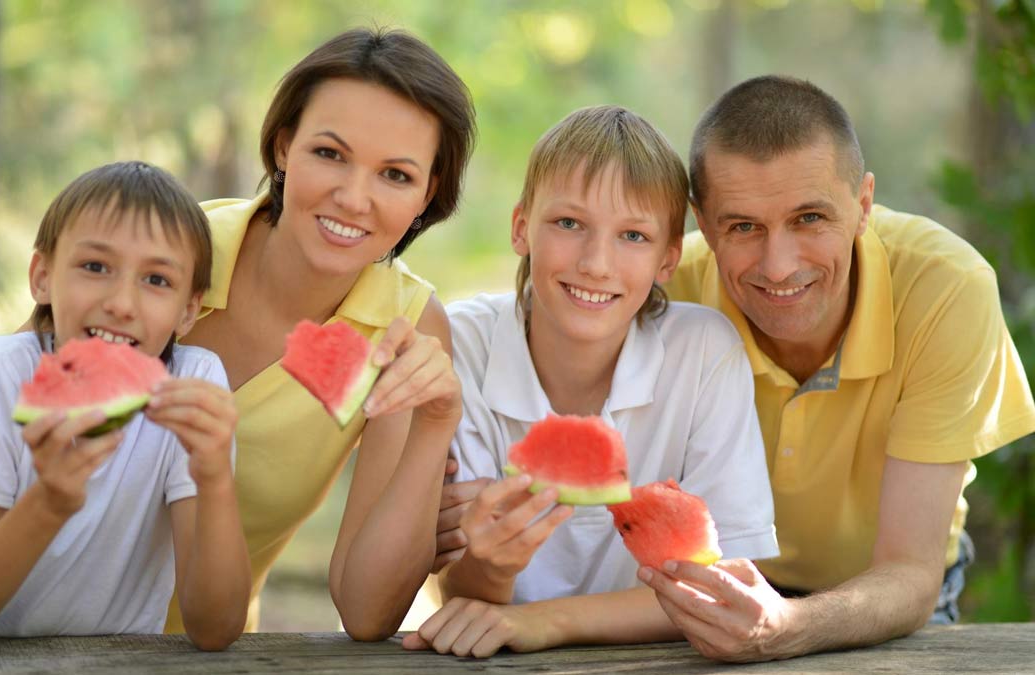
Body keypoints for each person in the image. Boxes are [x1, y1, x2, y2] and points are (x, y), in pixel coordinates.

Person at [0, 27, 475, 658]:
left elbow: (366, 611)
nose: (353, 196)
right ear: (284, 147)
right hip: (11, 627)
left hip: (194, 647)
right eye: (329, 154)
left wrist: (432, 426)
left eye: (395, 175)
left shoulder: (405, 331)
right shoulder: (174, 254)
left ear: (428, 196)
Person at [630, 75, 1035, 662]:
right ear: (702, 221)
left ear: (864, 205)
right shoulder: (663, 288)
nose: (778, 265)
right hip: (700, 598)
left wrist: (785, 624)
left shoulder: (947, 288)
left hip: (888, 601)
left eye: (810, 219)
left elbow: (909, 571)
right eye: (742, 226)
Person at [402, 106, 778, 659]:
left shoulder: (703, 353)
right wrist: (488, 563)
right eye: (569, 224)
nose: (596, 263)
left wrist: (545, 623)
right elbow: (464, 592)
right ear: (519, 227)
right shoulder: (462, 346)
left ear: (669, 256)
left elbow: (720, 587)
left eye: (632, 235)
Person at [0, 161, 250, 650]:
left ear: (189, 310)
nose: (121, 302)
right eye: (95, 267)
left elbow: (215, 628)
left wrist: (216, 478)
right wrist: (48, 504)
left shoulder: (194, 384)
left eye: (156, 279)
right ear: (42, 277)